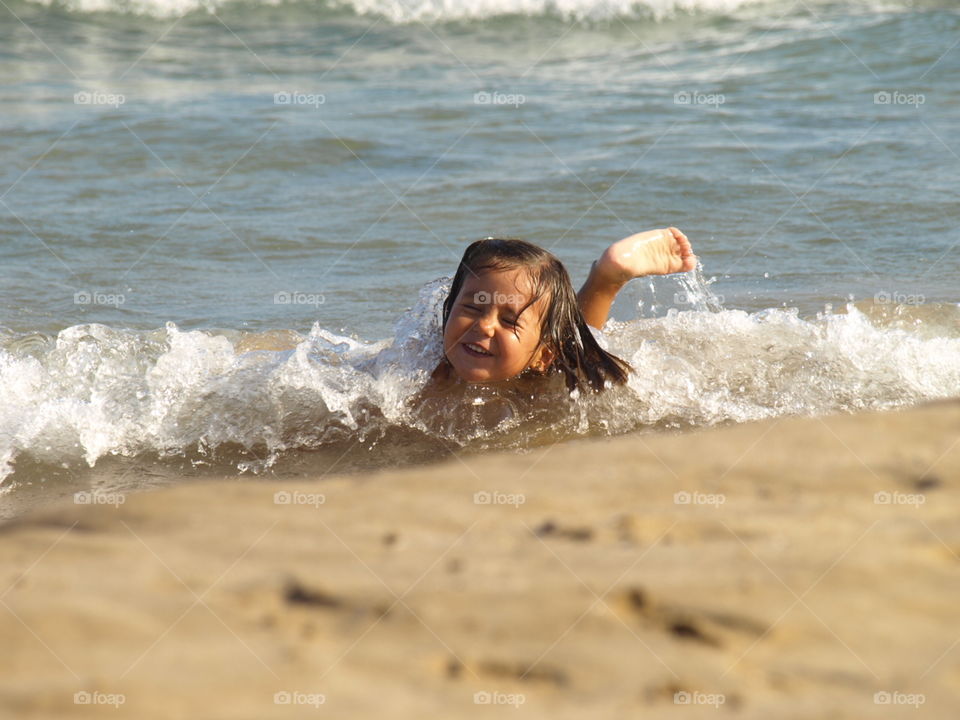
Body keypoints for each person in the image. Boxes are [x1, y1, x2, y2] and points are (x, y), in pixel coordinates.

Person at [431, 227, 696, 394]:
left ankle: (607, 278)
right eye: (472, 308)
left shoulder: (543, 388)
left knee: (578, 355)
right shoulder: (427, 362)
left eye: (509, 321)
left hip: (547, 367)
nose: (483, 325)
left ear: (542, 356)